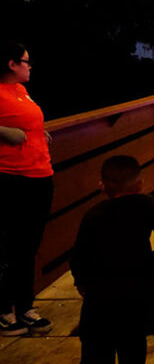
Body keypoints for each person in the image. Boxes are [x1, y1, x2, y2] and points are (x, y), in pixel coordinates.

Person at [71, 155, 154, 364]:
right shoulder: (145, 205)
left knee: (96, 349)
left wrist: (81, 281)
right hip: (136, 291)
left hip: (98, 298)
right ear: (140, 184)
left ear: (102, 186)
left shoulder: (93, 214)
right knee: (133, 345)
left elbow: (78, 253)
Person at [0, 40, 54, 336]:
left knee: (29, 246)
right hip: (12, 178)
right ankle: (4, 309)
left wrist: (37, 132)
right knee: (12, 247)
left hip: (40, 174)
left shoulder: (20, 91)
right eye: (25, 60)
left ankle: (25, 306)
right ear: (11, 64)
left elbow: (25, 119)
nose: (29, 65)